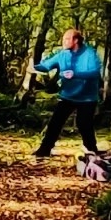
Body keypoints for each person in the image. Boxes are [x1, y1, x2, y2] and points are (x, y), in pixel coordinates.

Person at [30, 28, 102, 157]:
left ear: (76, 40)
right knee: (55, 122)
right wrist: (34, 67)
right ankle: (44, 150)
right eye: (63, 39)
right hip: (68, 95)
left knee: (84, 123)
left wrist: (75, 74)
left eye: (67, 39)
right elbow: (46, 66)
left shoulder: (90, 54)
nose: (63, 42)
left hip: (87, 97)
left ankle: (92, 150)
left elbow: (95, 73)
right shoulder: (62, 54)